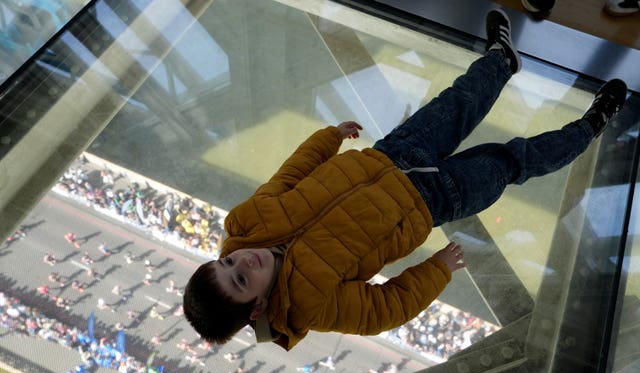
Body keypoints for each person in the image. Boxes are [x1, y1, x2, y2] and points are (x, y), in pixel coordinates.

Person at [183, 9, 627, 351]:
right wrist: (436, 271)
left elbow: (290, 175)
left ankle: (500, 61)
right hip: (434, 200)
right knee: (515, 161)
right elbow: (382, 311)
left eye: (226, 264)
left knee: (458, 103)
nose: (242, 263)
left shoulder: (245, 225)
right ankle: (592, 125)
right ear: (258, 306)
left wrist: (327, 139)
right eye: (240, 281)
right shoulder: (308, 306)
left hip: (393, 152)